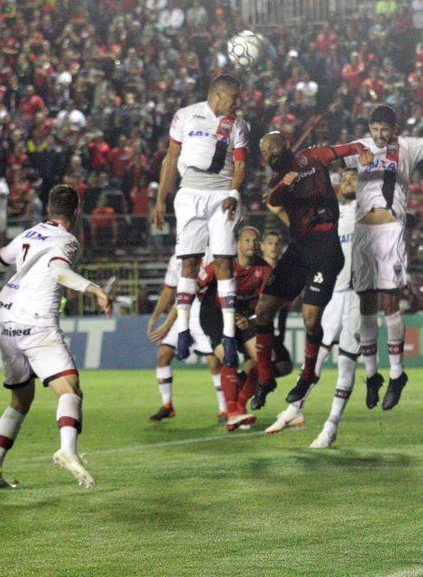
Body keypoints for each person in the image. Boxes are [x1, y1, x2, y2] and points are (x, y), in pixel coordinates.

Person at [0, 185, 112, 489]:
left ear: (49, 209)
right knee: (70, 390)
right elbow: (58, 271)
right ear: (77, 211)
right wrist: (93, 288)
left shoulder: (30, 234)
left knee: (20, 400)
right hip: (37, 326)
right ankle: (68, 450)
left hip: (9, 328)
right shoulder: (67, 241)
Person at [249, 131, 374, 448]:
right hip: (300, 247)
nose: (269, 155)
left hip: (325, 244)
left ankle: (307, 377)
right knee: (262, 312)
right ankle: (264, 378)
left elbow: (344, 148)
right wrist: (285, 183)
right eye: (265, 152)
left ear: (286, 146)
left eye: (272, 148)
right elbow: (274, 200)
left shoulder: (314, 156)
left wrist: (360, 149)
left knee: (310, 319)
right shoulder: (278, 179)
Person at [347, 93, 423, 411]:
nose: (380, 135)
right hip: (362, 232)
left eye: (385, 129)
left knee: (389, 302)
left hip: (391, 231)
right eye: (376, 129)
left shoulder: (405, 146)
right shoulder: (358, 147)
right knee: (366, 305)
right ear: (369, 128)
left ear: (394, 128)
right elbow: (329, 163)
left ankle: (396, 374)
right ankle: (371, 376)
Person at [151, 75, 248, 377]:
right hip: (190, 191)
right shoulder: (184, 115)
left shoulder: (238, 125)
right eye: (234, 97)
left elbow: (241, 163)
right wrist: (160, 200)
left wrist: (234, 193)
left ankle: (229, 337)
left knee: (223, 264)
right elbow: (171, 158)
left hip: (221, 193)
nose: (238, 102)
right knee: (189, 263)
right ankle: (182, 332)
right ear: (218, 94)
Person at [268, 169, 361, 436]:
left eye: (353, 178)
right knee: (316, 358)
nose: (347, 181)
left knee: (346, 363)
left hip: (357, 296)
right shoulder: (333, 215)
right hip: (333, 294)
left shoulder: (368, 212)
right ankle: (295, 408)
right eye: (343, 178)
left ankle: (330, 427)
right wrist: (278, 208)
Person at [147, 227, 270, 425]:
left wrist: (251, 317)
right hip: (197, 313)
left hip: (224, 312)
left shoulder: (216, 254)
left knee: (225, 362)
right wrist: (162, 322)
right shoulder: (177, 260)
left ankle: (232, 405)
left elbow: (266, 302)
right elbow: (176, 292)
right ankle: (170, 404)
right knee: (164, 354)